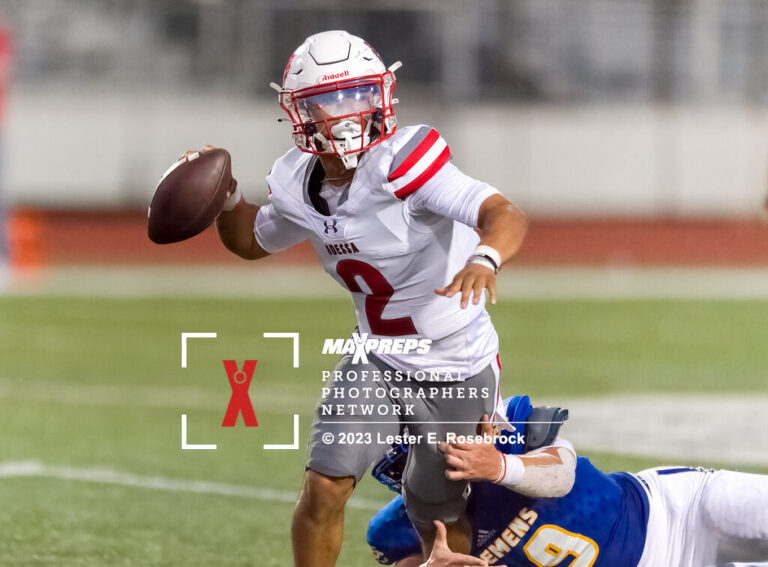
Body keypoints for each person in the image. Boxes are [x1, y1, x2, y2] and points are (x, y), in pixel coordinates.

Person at [204, 30, 527, 566]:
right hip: (374, 355)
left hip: (456, 360)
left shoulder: (405, 164)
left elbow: (503, 214)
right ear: (299, 113)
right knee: (324, 485)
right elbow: (251, 241)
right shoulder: (294, 182)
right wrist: (225, 196)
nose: (346, 111)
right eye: (328, 100)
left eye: (356, 94)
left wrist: (485, 258)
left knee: (438, 509)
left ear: (381, 94)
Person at [367, 396, 768, 567]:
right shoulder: (401, 530)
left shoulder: (500, 426)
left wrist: (500, 468)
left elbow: (560, 474)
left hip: (676, 512)